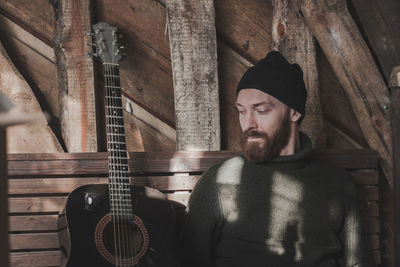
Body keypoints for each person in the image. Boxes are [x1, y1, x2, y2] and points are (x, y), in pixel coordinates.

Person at [181, 51, 369, 266]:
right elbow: (190, 260)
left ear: (294, 113)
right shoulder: (219, 182)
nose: (248, 123)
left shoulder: (336, 183)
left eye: (261, 111)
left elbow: (357, 262)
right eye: (241, 111)